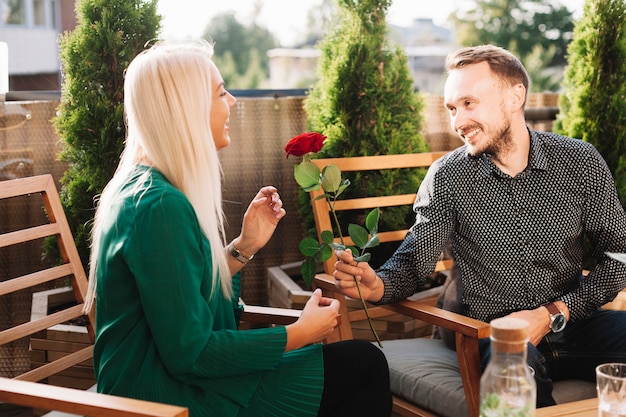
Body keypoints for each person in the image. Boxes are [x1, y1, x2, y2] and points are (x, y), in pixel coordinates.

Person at [84, 40, 392, 417]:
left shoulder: (143, 187)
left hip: (162, 380)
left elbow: (175, 295)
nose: (231, 101)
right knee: (365, 366)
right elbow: (191, 353)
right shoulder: (158, 205)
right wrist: (300, 333)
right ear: (187, 108)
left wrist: (245, 246)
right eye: (220, 92)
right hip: (163, 396)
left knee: (360, 364)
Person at [334, 44, 626, 408]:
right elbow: (413, 262)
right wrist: (377, 284)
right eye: (452, 109)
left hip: (573, 322)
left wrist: (554, 313)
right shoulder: (448, 177)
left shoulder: (580, 162)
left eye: (469, 104)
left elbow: (618, 256)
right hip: (491, 330)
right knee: (514, 386)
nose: (457, 123)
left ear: (515, 96)